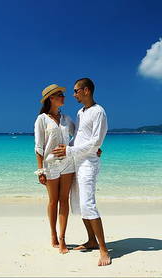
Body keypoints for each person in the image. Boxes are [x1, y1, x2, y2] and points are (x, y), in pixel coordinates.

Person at [52, 78, 111, 266]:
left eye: (76, 91)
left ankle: (103, 250)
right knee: (78, 203)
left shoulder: (98, 112)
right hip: (76, 162)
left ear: (86, 90)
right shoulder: (80, 112)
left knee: (88, 204)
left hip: (88, 164)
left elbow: (95, 142)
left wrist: (70, 150)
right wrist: (68, 147)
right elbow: (79, 137)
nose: (73, 94)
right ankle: (91, 240)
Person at [34, 84, 75, 254]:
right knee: (53, 201)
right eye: (60, 95)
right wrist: (41, 170)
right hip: (50, 165)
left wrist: (93, 148)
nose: (64, 97)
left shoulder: (66, 119)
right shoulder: (42, 119)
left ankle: (63, 238)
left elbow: (79, 136)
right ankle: (53, 235)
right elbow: (39, 147)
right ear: (51, 98)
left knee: (64, 200)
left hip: (68, 163)